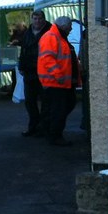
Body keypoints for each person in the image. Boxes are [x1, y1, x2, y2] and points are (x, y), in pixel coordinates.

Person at [38, 16, 81, 147]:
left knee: (60, 108)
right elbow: (48, 59)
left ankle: (50, 131)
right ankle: (54, 135)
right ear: (63, 27)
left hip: (60, 82)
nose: (71, 29)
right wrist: (59, 75)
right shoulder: (52, 37)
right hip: (55, 82)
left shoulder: (57, 36)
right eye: (70, 27)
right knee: (58, 110)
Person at [19, 10, 52, 137]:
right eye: (35, 19)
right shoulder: (27, 32)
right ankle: (33, 125)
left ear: (44, 19)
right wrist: (21, 66)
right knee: (29, 101)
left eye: (39, 19)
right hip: (29, 71)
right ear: (32, 19)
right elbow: (23, 50)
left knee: (46, 101)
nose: (37, 21)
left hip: (44, 72)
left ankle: (44, 127)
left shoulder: (50, 31)